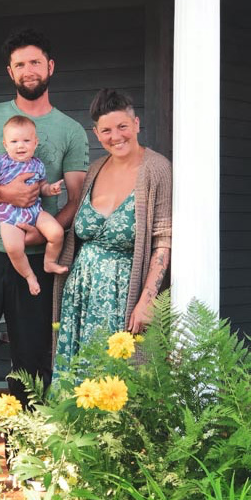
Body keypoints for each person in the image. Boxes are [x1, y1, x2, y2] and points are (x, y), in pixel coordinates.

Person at [0, 29, 89, 438]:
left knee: (31, 360)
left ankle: (27, 458)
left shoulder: (71, 131)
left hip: (37, 258)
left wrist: (42, 237)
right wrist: (6, 192)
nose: (29, 70)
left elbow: (74, 200)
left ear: (50, 67)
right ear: (11, 72)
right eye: (20, 64)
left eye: (36, 62)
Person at [53, 89, 172, 370]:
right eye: (106, 130)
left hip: (124, 297)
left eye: (122, 126)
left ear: (137, 124)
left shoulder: (157, 170)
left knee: (119, 382)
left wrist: (147, 301)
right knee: (78, 385)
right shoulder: (95, 169)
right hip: (80, 296)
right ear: (96, 133)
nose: (115, 136)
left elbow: (163, 241)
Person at [0, 115, 69, 296]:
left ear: (35, 143)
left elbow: (41, 187)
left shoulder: (37, 164)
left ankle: (49, 262)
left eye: (26, 141)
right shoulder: (1, 161)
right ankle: (29, 276)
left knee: (56, 233)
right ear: (5, 144)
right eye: (14, 141)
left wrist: (51, 189)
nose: (20, 145)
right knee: (13, 248)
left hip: (35, 211)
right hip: (10, 216)